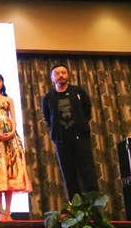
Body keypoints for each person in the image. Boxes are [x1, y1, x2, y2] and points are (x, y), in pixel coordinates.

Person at [42, 63, 99, 199]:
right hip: (61, 139)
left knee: (88, 172)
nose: (61, 75)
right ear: (52, 77)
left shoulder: (78, 92)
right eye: (57, 73)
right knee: (69, 175)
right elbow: (47, 117)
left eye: (63, 73)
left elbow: (87, 110)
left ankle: (95, 206)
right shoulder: (48, 97)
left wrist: (81, 123)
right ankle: (76, 206)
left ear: (68, 75)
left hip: (81, 137)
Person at [0, 73, 32, 221]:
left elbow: (13, 117)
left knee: (10, 173)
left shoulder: (8, 99)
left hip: (10, 136)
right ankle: (0, 211)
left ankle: (8, 211)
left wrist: (12, 131)